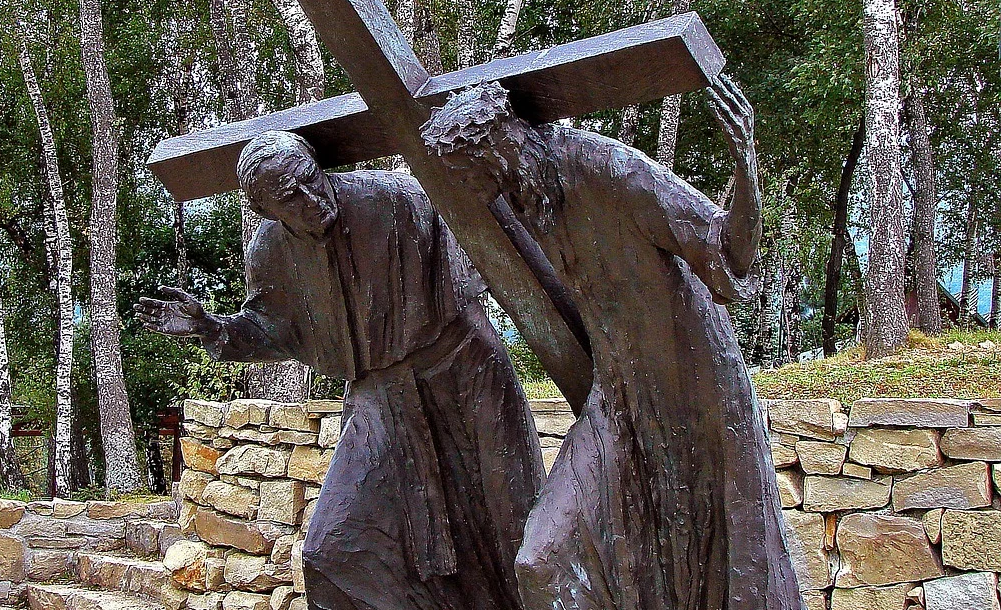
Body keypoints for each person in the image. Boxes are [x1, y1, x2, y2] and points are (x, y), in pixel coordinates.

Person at [420, 76, 803, 610]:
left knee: (732, 569)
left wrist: (746, 167)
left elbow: (726, 250)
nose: (468, 188)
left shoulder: (605, 168)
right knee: (540, 560)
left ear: (500, 149)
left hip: (699, 395)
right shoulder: (526, 200)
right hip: (619, 402)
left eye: (468, 173)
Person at [135, 130, 542, 610]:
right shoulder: (271, 252)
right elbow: (271, 328)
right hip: (381, 395)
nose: (311, 199)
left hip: (465, 369)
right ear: (265, 210)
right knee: (331, 551)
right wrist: (211, 327)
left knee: (513, 520)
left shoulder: (395, 198)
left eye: (310, 180)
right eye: (291, 197)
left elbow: (488, 253)